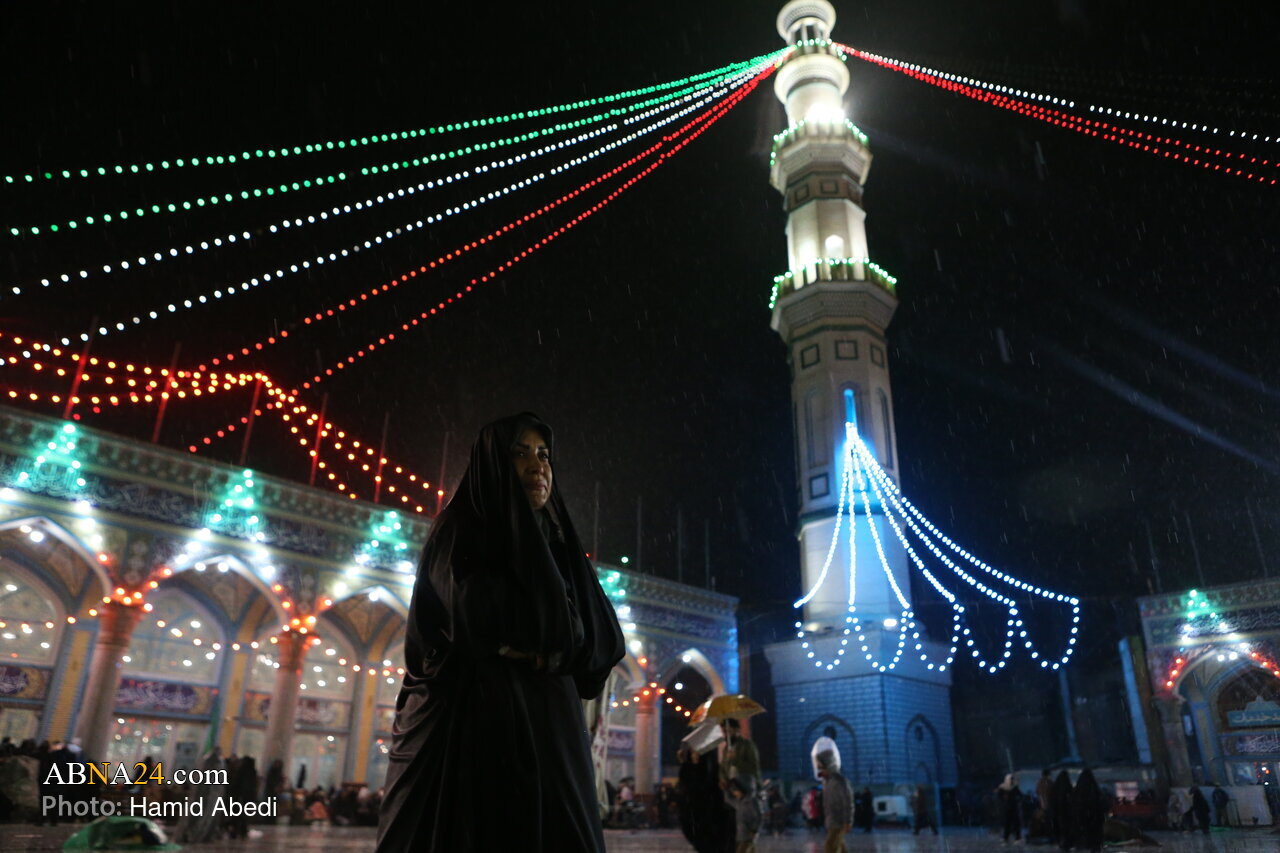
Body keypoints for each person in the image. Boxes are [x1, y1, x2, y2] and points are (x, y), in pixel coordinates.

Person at [376, 413, 625, 852]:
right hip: (476, 725)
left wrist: (545, 643)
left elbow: (600, 638)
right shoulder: (464, 530)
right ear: (494, 464)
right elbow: (477, 618)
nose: (537, 466)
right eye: (520, 454)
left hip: (552, 727)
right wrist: (553, 638)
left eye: (544, 455)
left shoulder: (557, 543)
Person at [815, 749, 851, 853]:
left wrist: (847, 821)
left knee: (831, 846)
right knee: (838, 846)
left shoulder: (838, 782)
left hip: (838, 821)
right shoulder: (827, 783)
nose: (820, 771)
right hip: (832, 821)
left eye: (822, 768)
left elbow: (847, 803)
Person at [720, 719, 762, 795]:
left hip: (747, 787)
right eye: (723, 731)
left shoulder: (747, 745)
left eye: (728, 731)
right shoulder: (726, 749)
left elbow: (753, 767)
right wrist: (723, 779)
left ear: (737, 730)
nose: (725, 734)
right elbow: (723, 767)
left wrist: (735, 760)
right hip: (732, 789)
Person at [724, 776, 761, 852]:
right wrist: (726, 789)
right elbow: (728, 800)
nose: (734, 793)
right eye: (733, 791)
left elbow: (758, 817)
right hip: (739, 835)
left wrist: (754, 830)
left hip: (748, 835)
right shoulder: (738, 802)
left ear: (742, 790)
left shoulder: (751, 802)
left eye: (736, 791)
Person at [1072, 768, 1104, 852]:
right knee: (1095, 835)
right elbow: (1101, 802)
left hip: (1083, 817)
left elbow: (1074, 803)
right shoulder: (1094, 788)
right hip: (1095, 817)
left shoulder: (1078, 789)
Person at [996, 773, 1022, 844]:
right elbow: (999, 797)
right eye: (1011, 779)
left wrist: (1017, 799)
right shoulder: (1002, 787)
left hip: (1014, 808)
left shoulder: (1014, 787)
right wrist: (1004, 800)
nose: (1012, 781)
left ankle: (1018, 837)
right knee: (1007, 824)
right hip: (1006, 808)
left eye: (1012, 779)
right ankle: (1005, 837)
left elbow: (1020, 795)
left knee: (1016, 823)